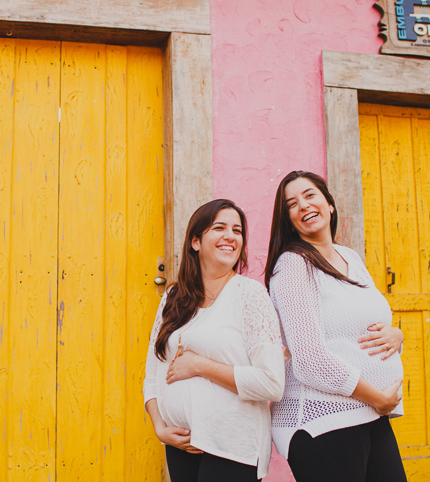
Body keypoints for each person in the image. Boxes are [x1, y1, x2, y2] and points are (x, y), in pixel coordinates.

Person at [264, 171, 407, 482]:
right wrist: (377, 398)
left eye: (309, 195)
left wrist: (397, 334)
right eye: (292, 204)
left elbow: (364, 321)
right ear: (289, 220)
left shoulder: (349, 257)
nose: (303, 205)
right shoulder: (293, 265)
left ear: (329, 204)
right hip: (324, 421)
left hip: (368, 413)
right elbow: (310, 361)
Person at [143, 199, 285, 482]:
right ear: (195, 241)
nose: (230, 236)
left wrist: (200, 366)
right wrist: (160, 428)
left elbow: (271, 383)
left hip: (231, 448)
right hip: (180, 445)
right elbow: (153, 373)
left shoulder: (250, 295)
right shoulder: (173, 298)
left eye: (237, 230)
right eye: (219, 228)